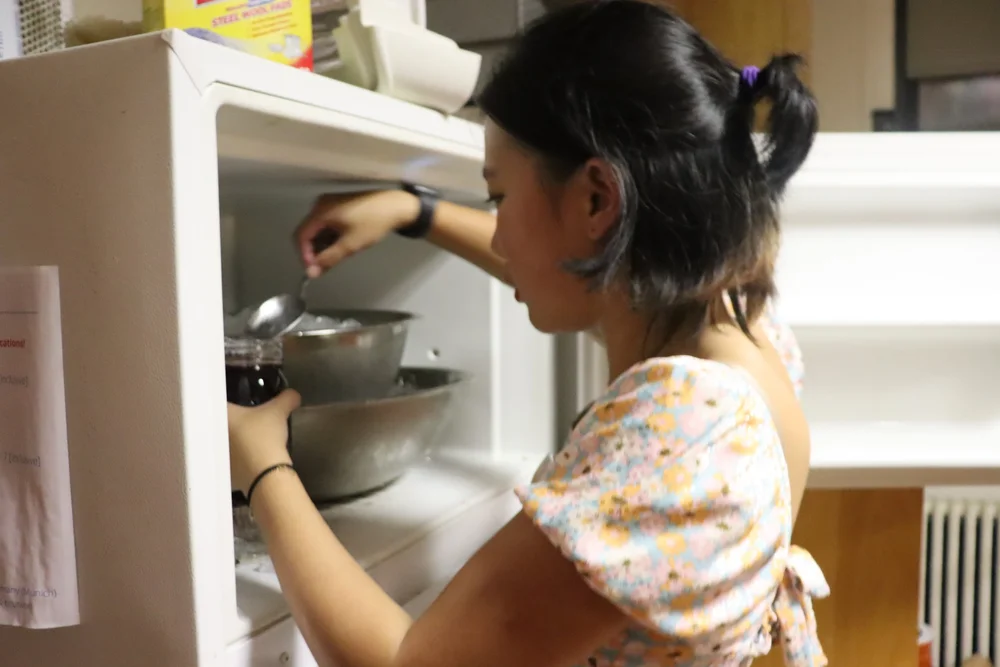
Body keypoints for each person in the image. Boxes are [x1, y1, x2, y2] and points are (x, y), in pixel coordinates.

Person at [225, 1, 829, 665]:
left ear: (597, 199)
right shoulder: (734, 320)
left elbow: (407, 662)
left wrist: (263, 463)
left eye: (498, 196)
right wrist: (416, 212)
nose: (500, 231)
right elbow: (576, 264)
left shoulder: (678, 431)